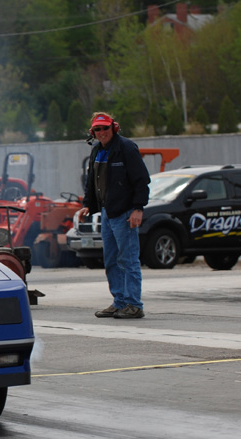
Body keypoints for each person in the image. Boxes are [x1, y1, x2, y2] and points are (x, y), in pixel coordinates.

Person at [76, 112, 151, 319]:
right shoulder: (97, 150)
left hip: (124, 213)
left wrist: (138, 208)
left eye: (105, 128)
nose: (102, 132)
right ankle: (119, 302)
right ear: (93, 132)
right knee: (111, 260)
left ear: (114, 128)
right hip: (107, 212)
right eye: (97, 129)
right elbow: (92, 181)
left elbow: (141, 180)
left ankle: (134, 304)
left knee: (128, 260)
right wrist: (88, 205)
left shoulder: (126, 147)